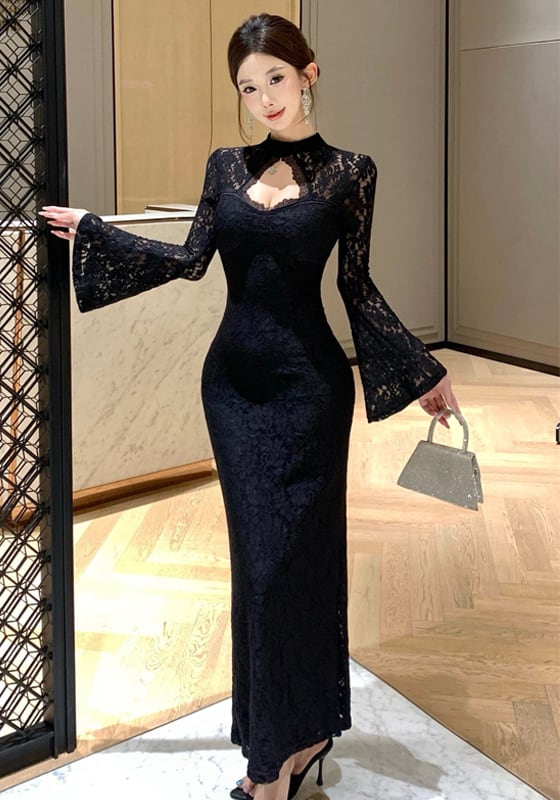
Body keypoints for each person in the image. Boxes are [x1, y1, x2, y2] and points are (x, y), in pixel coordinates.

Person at [40, 13, 459, 800]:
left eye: (275, 79)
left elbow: (356, 285)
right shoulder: (226, 168)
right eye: (247, 86)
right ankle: (278, 747)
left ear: (308, 74)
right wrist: (96, 232)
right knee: (259, 573)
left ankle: (289, 751)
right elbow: (192, 259)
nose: (264, 97)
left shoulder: (351, 173)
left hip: (311, 394)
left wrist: (419, 367)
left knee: (299, 567)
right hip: (233, 391)